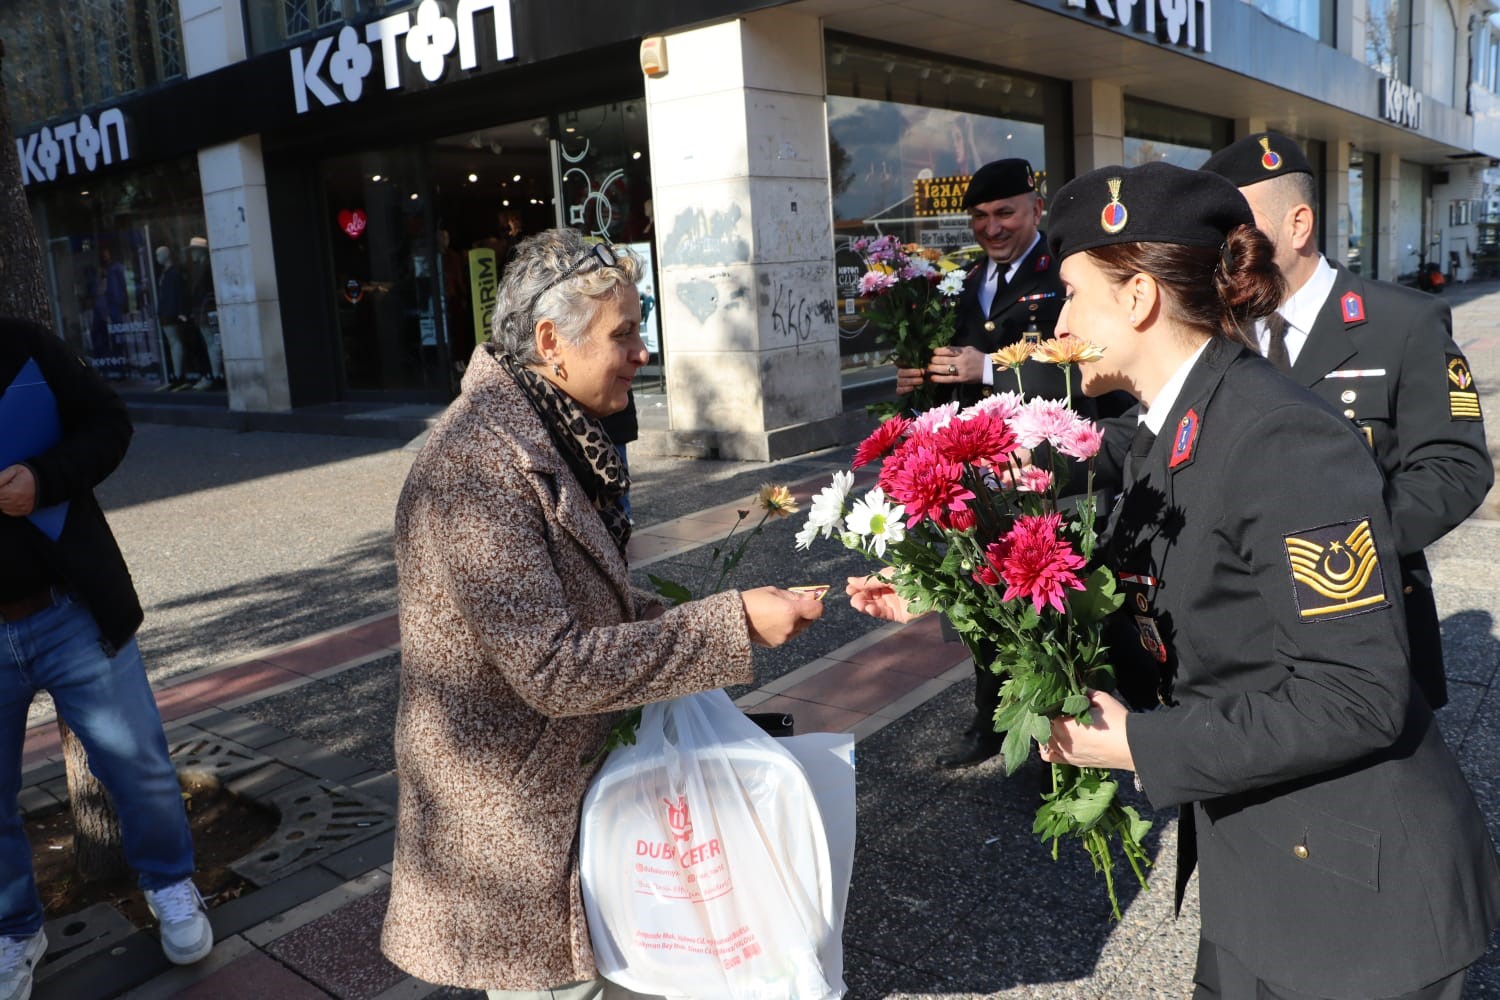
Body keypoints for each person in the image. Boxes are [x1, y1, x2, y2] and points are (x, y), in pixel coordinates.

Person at [1029, 162, 1500, 998]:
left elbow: (1357, 693)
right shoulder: (1165, 431)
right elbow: (1177, 627)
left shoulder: (1277, 435)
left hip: (1362, 904)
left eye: (1071, 293)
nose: (1059, 323)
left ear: (1137, 298)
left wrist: (1141, 745)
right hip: (1270, 866)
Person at [380, 229, 823, 999]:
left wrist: (734, 613)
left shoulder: (549, 428)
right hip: (512, 831)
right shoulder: (479, 466)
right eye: (624, 333)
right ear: (551, 342)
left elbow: (588, 605)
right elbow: (552, 667)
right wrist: (732, 625)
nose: (642, 351)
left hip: (555, 797)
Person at [1199, 132, 1491, 711]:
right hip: (1248, 631)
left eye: (1237, 223)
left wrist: (1348, 547)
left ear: (1298, 224)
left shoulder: (1401, 322)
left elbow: (1456, 466)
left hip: (1370, 612)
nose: (1223, 243)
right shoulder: (1218, 329)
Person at [0, 318, 214, 1000]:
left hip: (69, 608)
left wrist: (43, 477)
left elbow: (109, 423)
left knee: (139, 765)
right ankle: (13, 930)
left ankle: (172, 886)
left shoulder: (20, 344)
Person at [895, 157, 1070, 411]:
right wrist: (920, 378)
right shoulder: (958, 282)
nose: (992, 229)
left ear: (1035, 211)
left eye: (1004, 213)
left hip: (1045, 443)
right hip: (972, 441)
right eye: (980, 216)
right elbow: (946, 377)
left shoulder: (1066, 273)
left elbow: (1090, 369)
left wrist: (989, 368)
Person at [154, 246, 189, 389]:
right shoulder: (167, 273)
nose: (157, 258)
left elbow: (178, 293)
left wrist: (180, 311)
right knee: (173, 343)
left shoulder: (173, 273)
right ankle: (177, 375)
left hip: (170, 312)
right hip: (166, 312)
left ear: (167, 255)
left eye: (159, 255)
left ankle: (179, 376)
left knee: (175, 342)